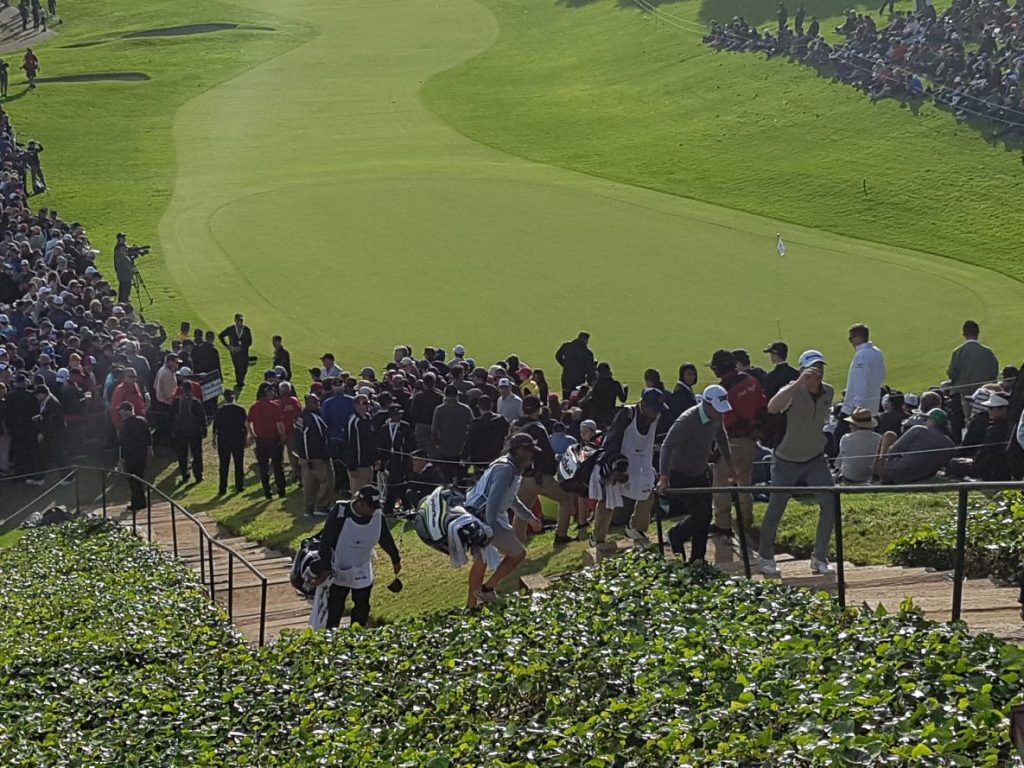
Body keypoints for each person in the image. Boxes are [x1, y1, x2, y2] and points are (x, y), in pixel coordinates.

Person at [757, 350, 836, 577]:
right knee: (776, 508)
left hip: (815, 459)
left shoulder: (828, 392)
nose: (817, 372)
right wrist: (798, 383)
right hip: (786, 459)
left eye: (820, 367)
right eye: (811, 368)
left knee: (829, 504)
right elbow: (773, 406)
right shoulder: (791, 390)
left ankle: (819, 557)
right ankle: (765, 557)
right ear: (801, 370)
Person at [464, 433, 544, 608]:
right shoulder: (506, 468)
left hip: (478, 516)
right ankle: (487, 590)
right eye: (529, 451)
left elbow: (510, 498)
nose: (531, 456)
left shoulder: (510, 467)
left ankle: (472, 605)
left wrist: (529, 517)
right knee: (518, 553)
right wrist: (489, 528)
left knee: (481, 560)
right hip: (483, 517)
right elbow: (493, 498)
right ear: (519, 451)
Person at [657, 385, 733, 562]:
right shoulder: (687, 421)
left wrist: (729, 465)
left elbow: (721, 438)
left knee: (705, 517)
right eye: (718, 410)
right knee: (701, 514)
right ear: (707, 405)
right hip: (680, 473)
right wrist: (664, 477)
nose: (721, 415)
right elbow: (667, 447)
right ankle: (676, 534)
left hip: (700, 472)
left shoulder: (716, 417)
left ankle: (698, 558)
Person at [311, 485, 401, 629]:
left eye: (375, 507)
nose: (373, 511)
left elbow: (385, 538)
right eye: (370, 507)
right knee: (335, 607)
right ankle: (330, 635)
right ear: (360, 502)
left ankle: (357, 635)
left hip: (363, 566)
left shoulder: (377, 515)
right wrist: (325, 567)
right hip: (339, 568)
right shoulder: (340, 512)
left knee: (362, 606)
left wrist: (395, 559)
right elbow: (327, 540)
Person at [591, 388, 664, 549]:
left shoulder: (656, 417)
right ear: (643, 405)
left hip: (642, 463)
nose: (654, 415)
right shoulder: (627, 414)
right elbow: (612, 439)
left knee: (649, 495)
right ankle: (598, 538)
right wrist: (614, 465)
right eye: (652, 410)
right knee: (609, 499)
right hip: (620, 461)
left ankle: (635, 528)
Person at [709, 349, 766, 536]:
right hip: (751, 440)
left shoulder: (723, 389)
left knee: (721, 483)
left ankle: (723, 524)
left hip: (731, 441)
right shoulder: (750, 380)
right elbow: (761, 405)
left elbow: (726, 420)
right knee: (744, 481)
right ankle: (746, 518)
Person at [514, 395, 576, 544]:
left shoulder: (515, 426)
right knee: (566, 499)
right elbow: (546, 453)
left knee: (522, 511)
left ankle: (515, 545)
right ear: (539, 409)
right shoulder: (538, 428)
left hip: (521, 476)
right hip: (539, 476)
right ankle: (561, 535)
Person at [876, 409, 956, 484]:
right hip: (921, 477)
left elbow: (891, 452)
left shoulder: (918, 430)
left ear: (933, 422)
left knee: (889, 435)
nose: (924, 422)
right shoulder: (950, 445)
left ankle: (875, 476)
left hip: (895, 473)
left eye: (926, 420)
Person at [946, 392, 1011, 480]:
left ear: (1004, 409)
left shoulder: (996, 428)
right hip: (995, 466)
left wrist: (974, 462)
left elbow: (986, 452)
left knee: (953, 463)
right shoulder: (1008, 425)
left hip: (991, 468)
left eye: (992, 408)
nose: (989, 411)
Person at [294, 393, 334, 516]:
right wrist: (309, 457)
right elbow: (307, 438)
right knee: (327, 481)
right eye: (316, 402)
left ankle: (309, 508)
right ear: (310, 403)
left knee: (309, 484)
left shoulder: (300, 417)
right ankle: (321, 507)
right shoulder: (312, 418)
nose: (319, 404)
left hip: (305, 457)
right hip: (315, 457)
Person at [247, 382, 286, 499]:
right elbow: (279, 424)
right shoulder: (274, 406)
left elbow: (248, 422)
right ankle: (281, 490)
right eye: (271, 391)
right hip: (274, 439)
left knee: (263, 468)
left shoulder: (254, 406)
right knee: (278, 466)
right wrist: (283, 436)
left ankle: (267, 491)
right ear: (266, 393)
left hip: (261, 440)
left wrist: (253, 435)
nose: (273, 393)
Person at [947, 320, 999, 408]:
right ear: (978, 333)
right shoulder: (987, 352)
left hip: (964, 393)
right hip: (984, 393)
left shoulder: (958, 352)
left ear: (964, 335)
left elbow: (951, 373)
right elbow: (994, 372)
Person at [377, 404, 415, 514]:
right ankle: (391, 506)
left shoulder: (405, 426)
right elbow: (381, 444)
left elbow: (411, 442)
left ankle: (404, 505)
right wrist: (381, 459)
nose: (399, 416)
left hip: (402, 459)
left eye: (400, 414)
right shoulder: (384, 428)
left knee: (400, 482)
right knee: (391, 483)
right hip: (389, 460)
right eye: (396, 414)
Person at [430, 384, 472, 483]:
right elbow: (472, 427)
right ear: (457, 395)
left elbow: (433, 430)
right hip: (461, 449)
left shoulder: (439, 410)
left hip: (444, 449)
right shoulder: (465, 409)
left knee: (446, 477)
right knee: (461, 477)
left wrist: (436, 445)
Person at [117, 401, 152, 511]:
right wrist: (150, 448)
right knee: (139, 478)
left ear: (126, 412)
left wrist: (121, 459)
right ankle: (139, 501)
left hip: (131, 456)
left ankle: (137, 502)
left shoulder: (124, 426)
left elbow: (122, 444)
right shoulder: (142, 421)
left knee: (133, 480)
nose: (120, 414)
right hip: (142, 454)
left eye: (121, 412)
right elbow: (148, 436)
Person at [171, 376, 206, 483]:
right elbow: (202, 418)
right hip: (194, 431)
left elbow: (171, 416)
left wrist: (173, 429)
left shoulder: (177, 402)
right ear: (191, 389)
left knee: (182, 454)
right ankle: (198, 475)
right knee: (196, 453)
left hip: (180, 431)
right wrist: (204, 430)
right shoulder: (196, 402)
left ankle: (184, 474)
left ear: (182, 389)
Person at [213, 389, 247, 495]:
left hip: (224, 439)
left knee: (223, 464)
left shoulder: (220, 410)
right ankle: (239, 485)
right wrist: (245, 438)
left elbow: (216, 427)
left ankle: (222, 488)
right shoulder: (240, 410)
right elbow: (244, 426)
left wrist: (214, 440)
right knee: (238, 463)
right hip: (238, 438)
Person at [836, 408, 882, 483]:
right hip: (870, 478)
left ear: (854, 425)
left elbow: (839, 462)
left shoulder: (846, 438)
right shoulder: (879, 438)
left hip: (849, 478)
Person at [343, 393, 376, 492]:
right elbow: (349, 444)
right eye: (364, 403)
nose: (367, 406)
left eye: (368, 403)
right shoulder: (353, 422)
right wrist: (352, 466)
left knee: (367, 492)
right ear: (356, 405)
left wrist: (376, 457)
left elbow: (371, 440)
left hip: (368, 462)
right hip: (358, 464)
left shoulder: (368, 418)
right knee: (357, 492)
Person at [218, 313, 253, 393]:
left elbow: (250, 342)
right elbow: (221, 336)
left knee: (244, 367)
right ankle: (239, 383)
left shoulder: (246, 330)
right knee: (237, 367)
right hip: (234, 352)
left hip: (244, 352)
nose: (240, 322)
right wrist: (228, 346)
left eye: (241, 320)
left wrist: (240, 347)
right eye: (239, 320)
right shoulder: (231, 329)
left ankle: (241, 380)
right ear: (235, 320)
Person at [555, 331, 596, 400]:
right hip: (579, 379)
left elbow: (558, 355)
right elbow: (589, 369)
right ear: (586, 340)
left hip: (566, 377)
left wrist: (565, 365)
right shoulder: (587, 352)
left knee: (566, 398)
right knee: (578, 398)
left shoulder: (566, 346)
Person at [113, 233, 134, 304]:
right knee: (125, 287)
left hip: (123, 272)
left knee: (124, 287)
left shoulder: (122, 246)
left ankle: (124, 299)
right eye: (123, 237)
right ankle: (123, 301)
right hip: (123, 272)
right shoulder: (118, 248)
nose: (125, 239)